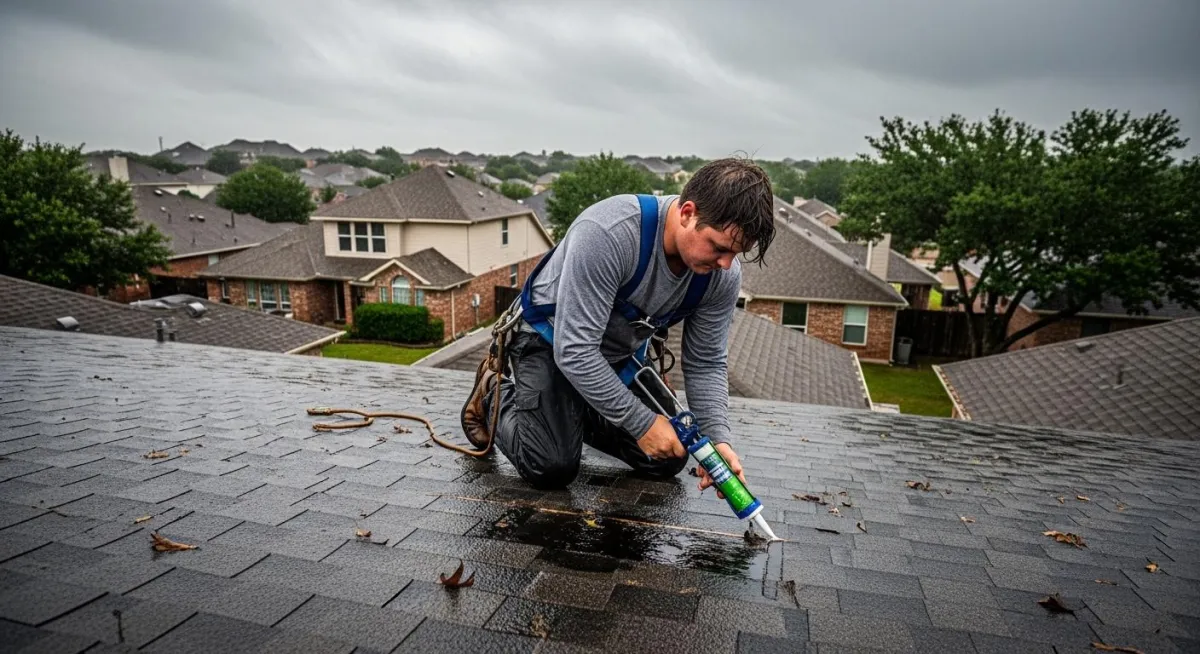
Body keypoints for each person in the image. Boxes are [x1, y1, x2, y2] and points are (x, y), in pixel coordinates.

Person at [460, 157, 776, 494]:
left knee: (668, 456)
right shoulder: (609, 232)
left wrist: (717, 440)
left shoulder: (721, 275)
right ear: (687, 213)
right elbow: (575, 351)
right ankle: (495, 393)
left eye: (736, 253)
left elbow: (706, 362)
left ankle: (568, 412)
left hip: (615, 355)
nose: (726, 264)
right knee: (551, 466)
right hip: (549, 341)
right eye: (719, 248)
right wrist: (640, 423)